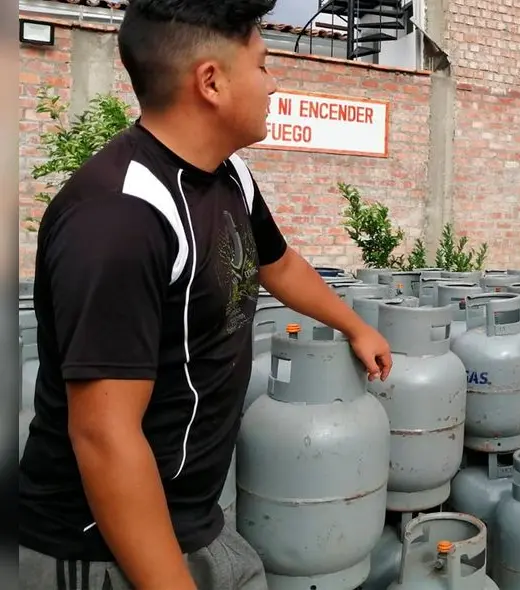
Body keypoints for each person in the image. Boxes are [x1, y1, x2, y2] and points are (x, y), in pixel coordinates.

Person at [18, 0, 393, 588]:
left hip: (193, 514)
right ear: (211, 82)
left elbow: (280, 263)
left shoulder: (228, 175)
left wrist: (355, 325)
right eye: (265, 64)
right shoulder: (120, 219)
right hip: (105, 544)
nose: (274, 83)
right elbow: (104, 435)